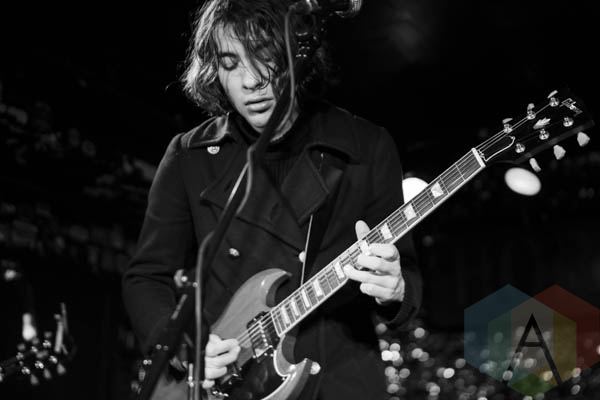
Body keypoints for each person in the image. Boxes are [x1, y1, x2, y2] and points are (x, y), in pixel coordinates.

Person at [122, 0, 422, 399]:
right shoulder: (189, 156)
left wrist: (395, 288)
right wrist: (186, 348)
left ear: (295, 53)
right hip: (229, 381)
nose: (250, 81)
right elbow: (147, 277)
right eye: (230, 63)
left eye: (263, 56)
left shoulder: (366, 146)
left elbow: (408, 279)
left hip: (338, 380)